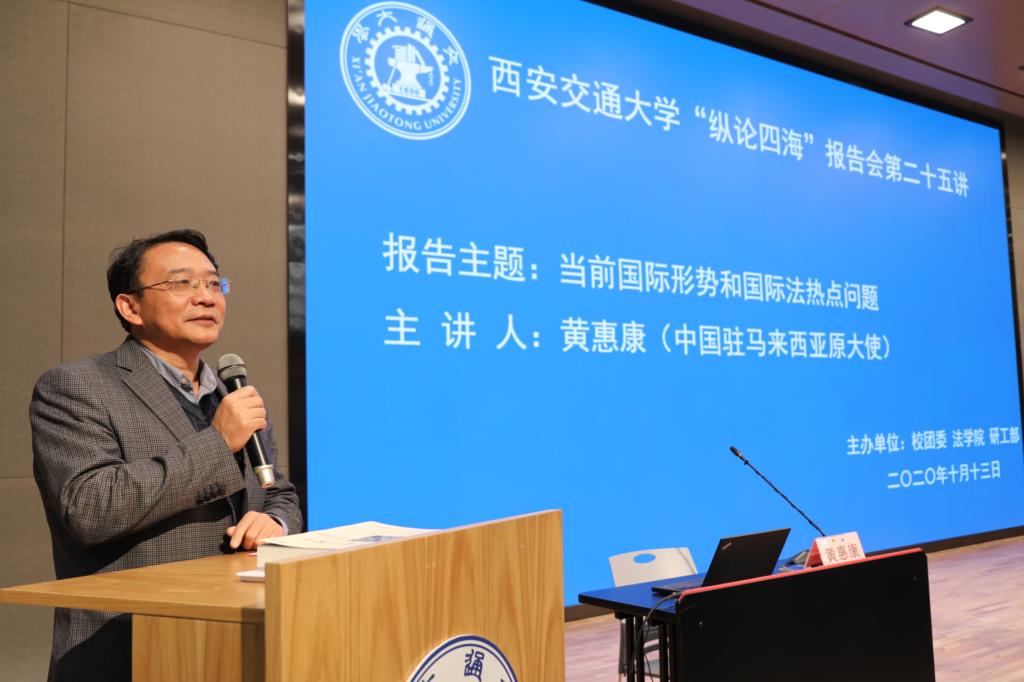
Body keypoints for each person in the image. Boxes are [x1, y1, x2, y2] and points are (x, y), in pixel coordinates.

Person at [30, 229, 302, 681]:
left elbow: (278, 491)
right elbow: (90, 508)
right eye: (182, 283)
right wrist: (217, 443)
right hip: (130, 647)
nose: (206, 297)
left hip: (235, 644)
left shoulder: (233, 395)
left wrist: (276, 522)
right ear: (130, 307)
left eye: (214, 283)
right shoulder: (76, 387)